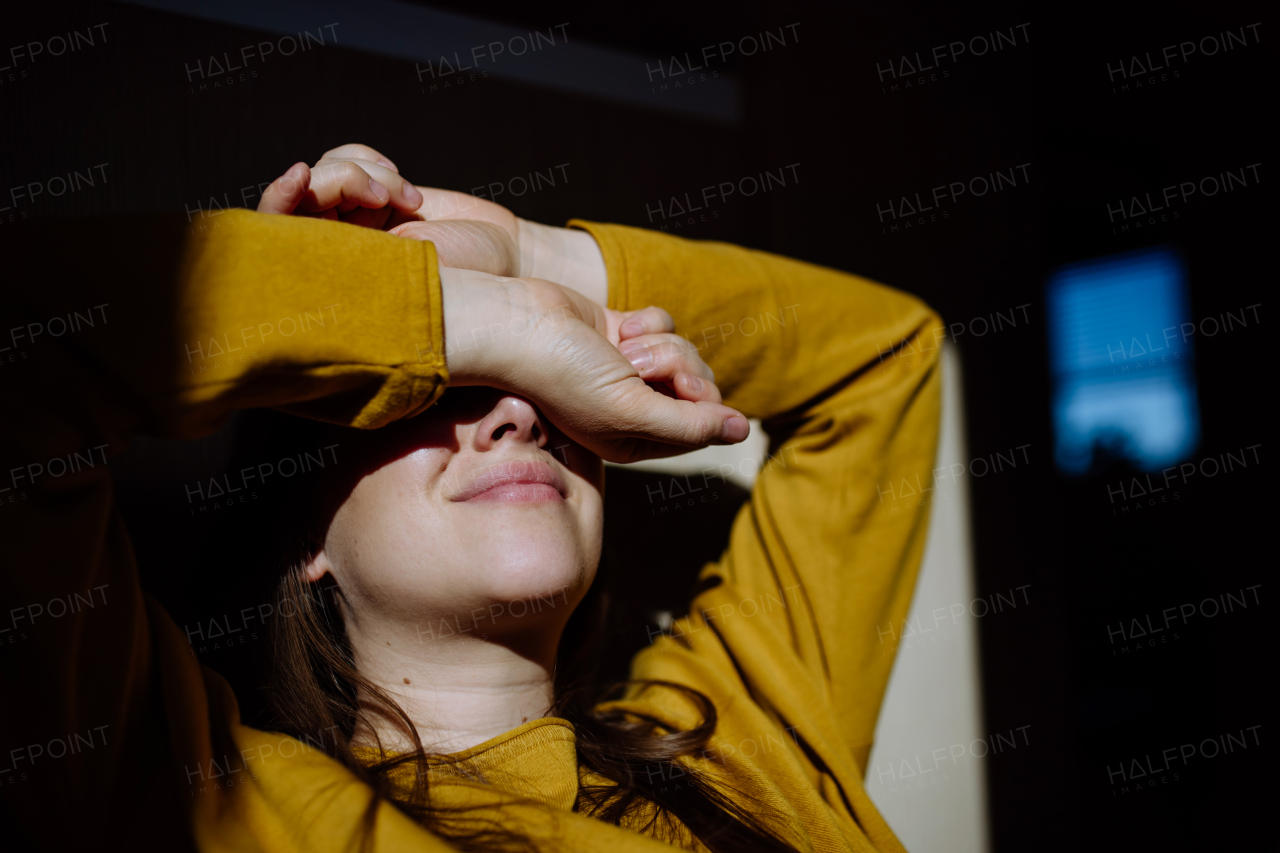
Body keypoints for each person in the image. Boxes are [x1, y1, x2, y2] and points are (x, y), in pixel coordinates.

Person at [0, 143, 942, 852]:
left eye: (553, 386)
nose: (521, 415)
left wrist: (534, 261)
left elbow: (884, 358)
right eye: (438, 391)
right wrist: (465, 315)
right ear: (305, 536)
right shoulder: (193, 789)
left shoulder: (740, 748)